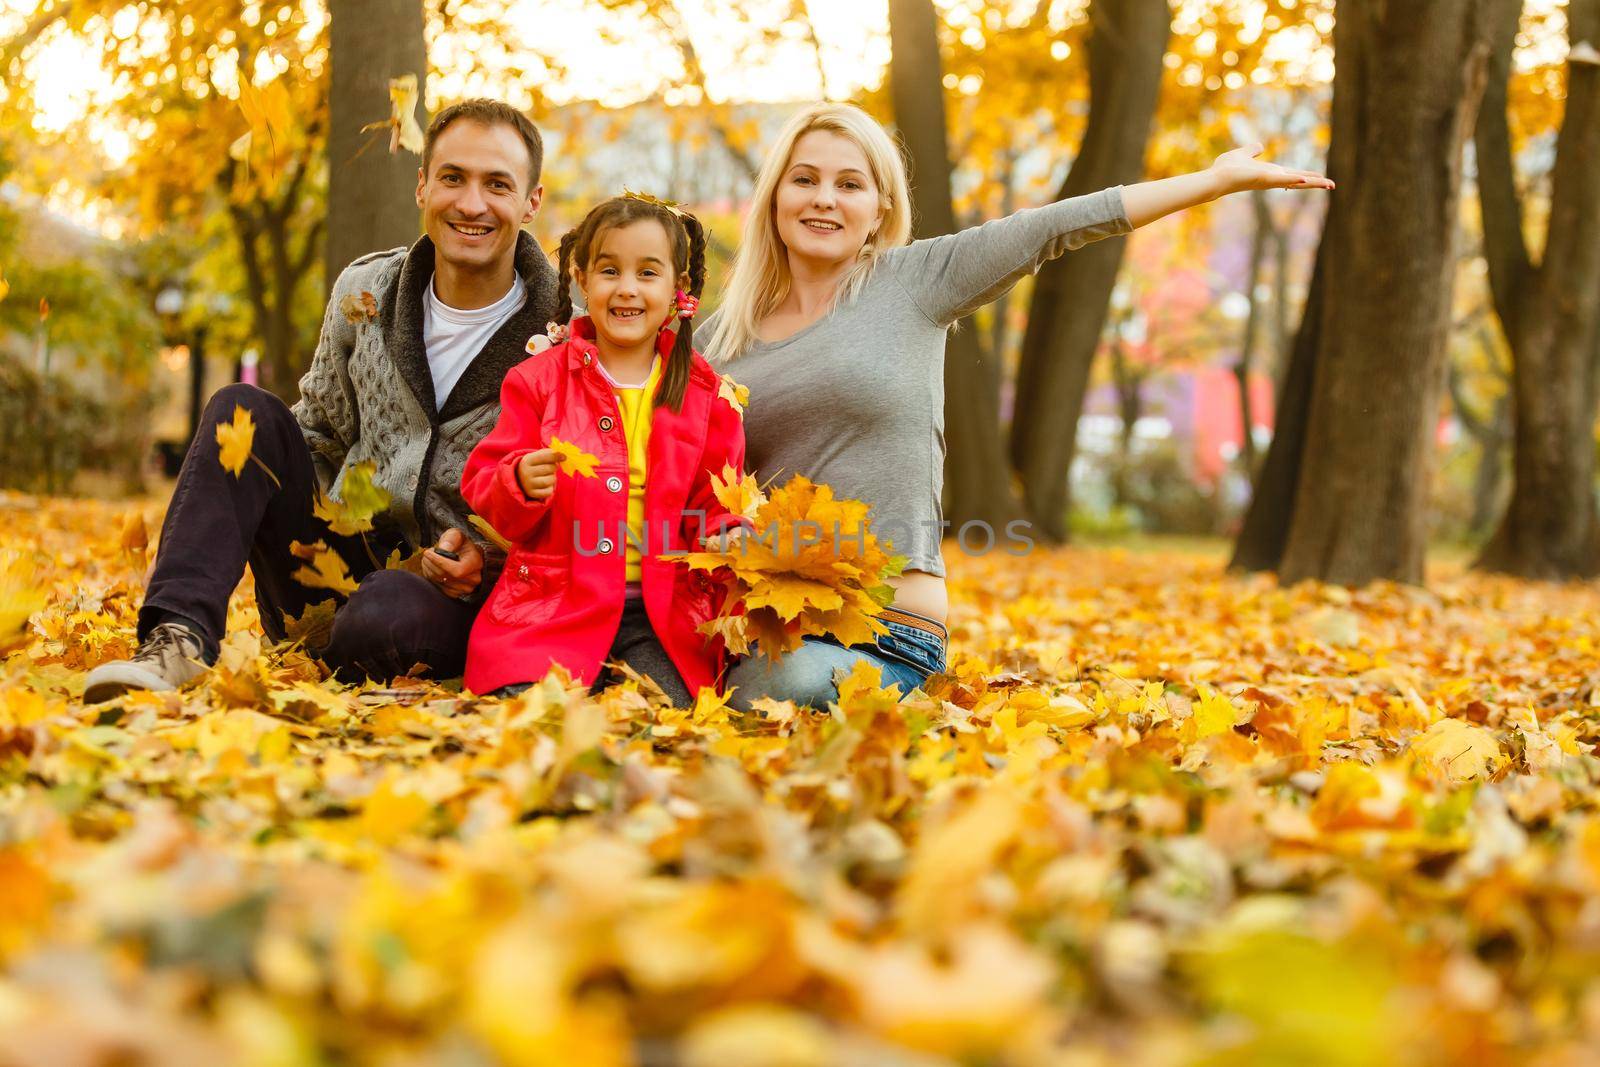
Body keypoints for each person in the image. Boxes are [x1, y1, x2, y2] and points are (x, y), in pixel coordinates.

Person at [703, 102, 1333, 708]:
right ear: (775, 198)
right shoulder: (717, 343)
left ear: (878, 210)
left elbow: (1049, 229)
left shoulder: (913, 283)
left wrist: (1212, 182)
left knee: (775, 689)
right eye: (804, 179)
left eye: (850, 184)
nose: (824, 198)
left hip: (885, 633)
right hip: (757, 621)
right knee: (667, 682)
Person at [84, 99, 561, 703]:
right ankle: (176, 639)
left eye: (497, 184)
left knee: (385, 614)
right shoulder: (365, 292)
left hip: (453, 600)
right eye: (452, 178)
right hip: (328, 566)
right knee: (242, 409)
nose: (471, 204)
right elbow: (317, 435)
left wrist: (491, 560)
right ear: (422, 186)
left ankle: (365, 658)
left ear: (531, 201)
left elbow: (589, 496)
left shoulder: (567, 331)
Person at [460, 194, 745, 704]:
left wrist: (729, 535)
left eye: (648, 273)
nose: (627, 289)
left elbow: (716, 505)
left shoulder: (707, 397)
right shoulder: (538, 382)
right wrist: (519, 481)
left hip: (663, 614)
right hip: (553, 604)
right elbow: (485, 485)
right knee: (525, 710)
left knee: (665, 713)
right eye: (610, 270)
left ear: (679, 288)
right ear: (582, 278)